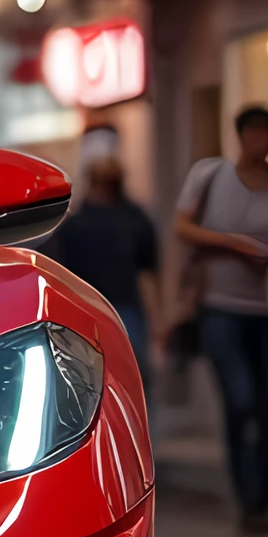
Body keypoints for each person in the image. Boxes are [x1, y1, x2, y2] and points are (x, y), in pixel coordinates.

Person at [175, 104, 268, 534]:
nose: (262, 142)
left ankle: (261, 501)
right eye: (255, 133)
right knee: (240, 399)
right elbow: (183, 227)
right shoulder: (211, 175)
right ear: (240, 136)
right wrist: (233, 243)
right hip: (221, 305)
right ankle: (244, 489)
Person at [50, 124, 162, 386]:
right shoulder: (72, 225)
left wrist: (158, 321)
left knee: (133, 383)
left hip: (127, 314)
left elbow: (147, 272)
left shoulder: (136, 219)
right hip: (84, 316)